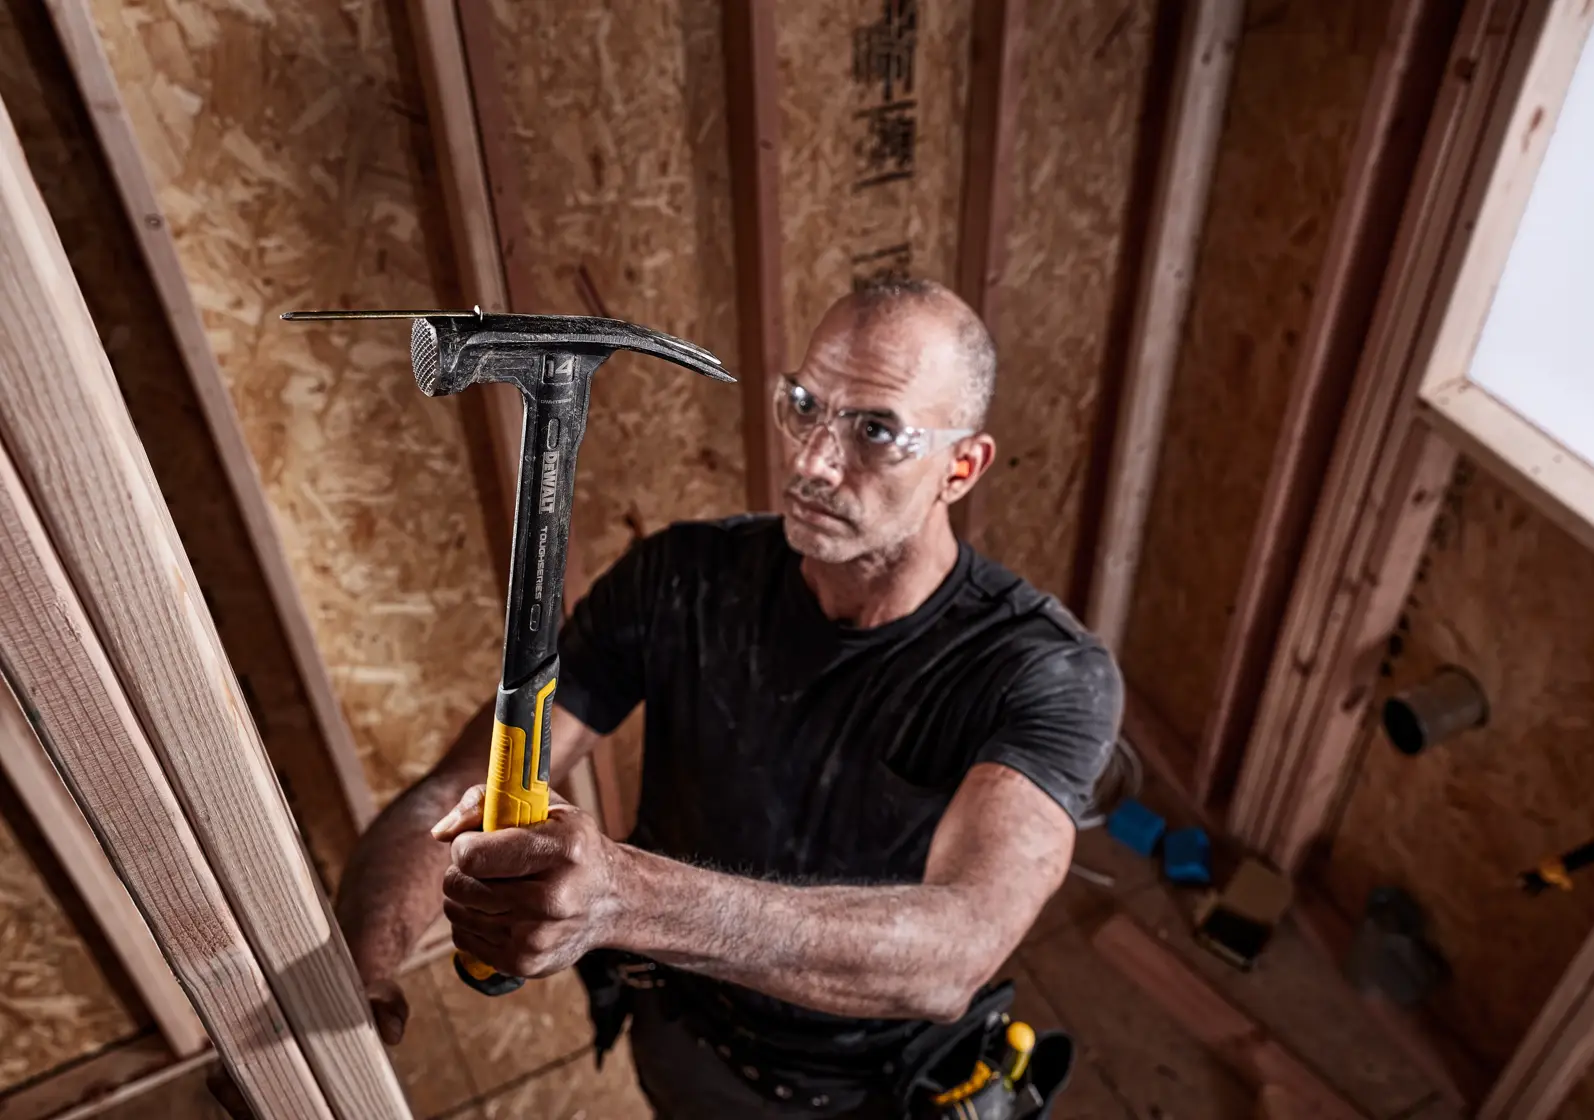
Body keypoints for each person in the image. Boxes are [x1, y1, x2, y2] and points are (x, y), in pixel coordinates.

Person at [331, 278, 1125, 1119]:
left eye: (877, 431)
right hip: (678, 1033)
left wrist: (623, 897)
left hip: (859, 1092)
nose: (816, 461)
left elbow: (956, 951)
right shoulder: (681, 580)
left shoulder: (1043, 672)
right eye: (806, 405)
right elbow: (454, 796)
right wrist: (358, 972)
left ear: (960, 467)